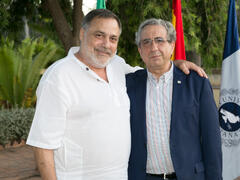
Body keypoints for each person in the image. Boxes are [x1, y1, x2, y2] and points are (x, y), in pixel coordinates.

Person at [26, 9, 207, 180]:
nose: (106, 44)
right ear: (82, 34)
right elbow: (42, 145)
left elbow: (152, 72)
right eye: (99, 35)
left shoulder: (117, 66)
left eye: (113, 38)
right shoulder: (58, 77)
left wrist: (175, 64)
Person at [126, 18, 222, 180]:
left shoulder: (196, 83)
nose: (153, 47)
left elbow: (211, 139)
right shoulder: (128, 85)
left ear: (172, 45)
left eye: (159, 40)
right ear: (140, 50)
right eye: (146, 42)